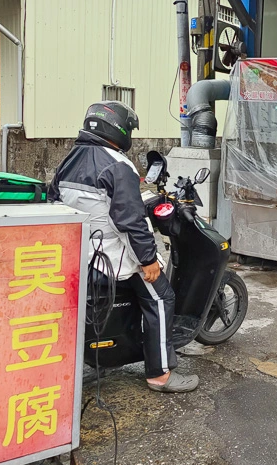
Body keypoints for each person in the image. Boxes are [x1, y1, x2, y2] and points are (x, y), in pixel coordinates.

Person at [49, 101, 199, 393]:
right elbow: (130, 222)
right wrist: (148, 260)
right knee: (161, 296)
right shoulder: (118, 164)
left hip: (79, 253)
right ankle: (160, 374)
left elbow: (55, 200)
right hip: (112, 257)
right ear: (118, 129)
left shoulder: (70, 159)